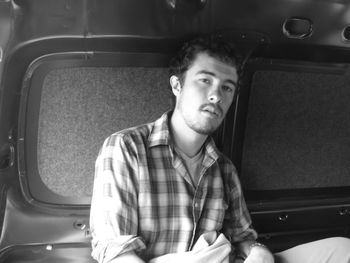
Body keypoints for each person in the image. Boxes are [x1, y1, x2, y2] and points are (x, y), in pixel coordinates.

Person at [89, 36, 350, 263]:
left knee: (342, 249)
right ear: (177, 85)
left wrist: (259, 252)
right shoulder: (126, 148)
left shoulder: (224, 168)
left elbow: (244, 238)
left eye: (226, 87)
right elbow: (115, 252)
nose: (216, 96)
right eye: (205, 81)